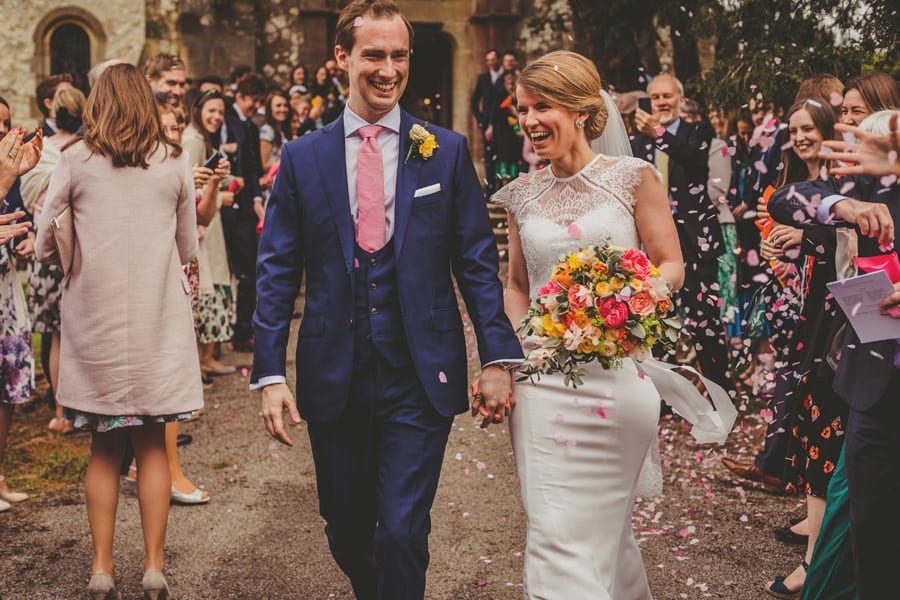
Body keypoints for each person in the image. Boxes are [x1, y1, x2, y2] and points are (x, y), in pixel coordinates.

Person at [251, 1, 522, 598]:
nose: (389, 69)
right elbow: (276, 271)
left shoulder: (444, 151)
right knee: (348, 532)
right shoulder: (302, 157)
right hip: (334, 374)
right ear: (342, 58)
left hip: (419, 375)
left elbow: (478, 265)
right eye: (374, 55)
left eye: (399, 56)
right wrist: (269, 373)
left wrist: (498, 357)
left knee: (401, 532)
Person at [494, 50, 685, 599]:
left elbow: (670, 263)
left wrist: (625, 301)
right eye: (523, 108)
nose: (529, 120)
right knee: (553, 530)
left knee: (605, 533)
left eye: (542, 106)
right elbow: (517, 286)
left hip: (618, 375)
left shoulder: (634, 178)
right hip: (542, 381)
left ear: (580, 110)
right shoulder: (520, 194)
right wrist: (518, 353)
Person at [34, 63, 200, 599]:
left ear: (97, 103)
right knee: (152, 447)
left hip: (96, 323)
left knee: (104, 450)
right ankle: (153, 567)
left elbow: (44, 237)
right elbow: (188, 246)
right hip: (156, 322)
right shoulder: (173, 160)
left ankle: (102, 569)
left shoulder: (75, 159)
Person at [768, 109, 899, 600]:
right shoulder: (867, 191)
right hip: (874, 387)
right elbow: (785, 199)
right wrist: (843, 203)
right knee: (870, 530)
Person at [632, 73, 731, 390]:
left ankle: (718, 389)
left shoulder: (697, 132)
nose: (661, 102)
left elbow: (695, 161)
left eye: (667, 96)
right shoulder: (637, 144)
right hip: (654, 246)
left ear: (680, 99)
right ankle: (664, 394)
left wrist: (659, 132)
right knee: (658, 322)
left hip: (694, 242)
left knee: (705, 321)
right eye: (655, 97)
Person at [18, 86, 86, 434]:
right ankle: (86, 408)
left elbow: (29, 198)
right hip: (80, 254)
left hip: (46, 253)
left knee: (57, 337)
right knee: (81, 335)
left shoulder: (41, 150)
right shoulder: (86, 151)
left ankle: (61, 413)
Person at [0, 125, 41, 513]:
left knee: (7, 384)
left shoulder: (10, 171)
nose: (2, 130)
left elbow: (19, 217)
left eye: (6, 123)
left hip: (5, 287)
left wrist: (27, 237)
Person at [222, 73, 266, 353]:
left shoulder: (249, 126)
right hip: (227, 202)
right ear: (239, 96)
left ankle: (243, 330)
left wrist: (257, 198)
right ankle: (236, 330)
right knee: (235, 272)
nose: (257, 106)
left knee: (249, 271)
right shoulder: (225, 120)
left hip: (247, 204)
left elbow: (252, 169)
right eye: (254, 100)